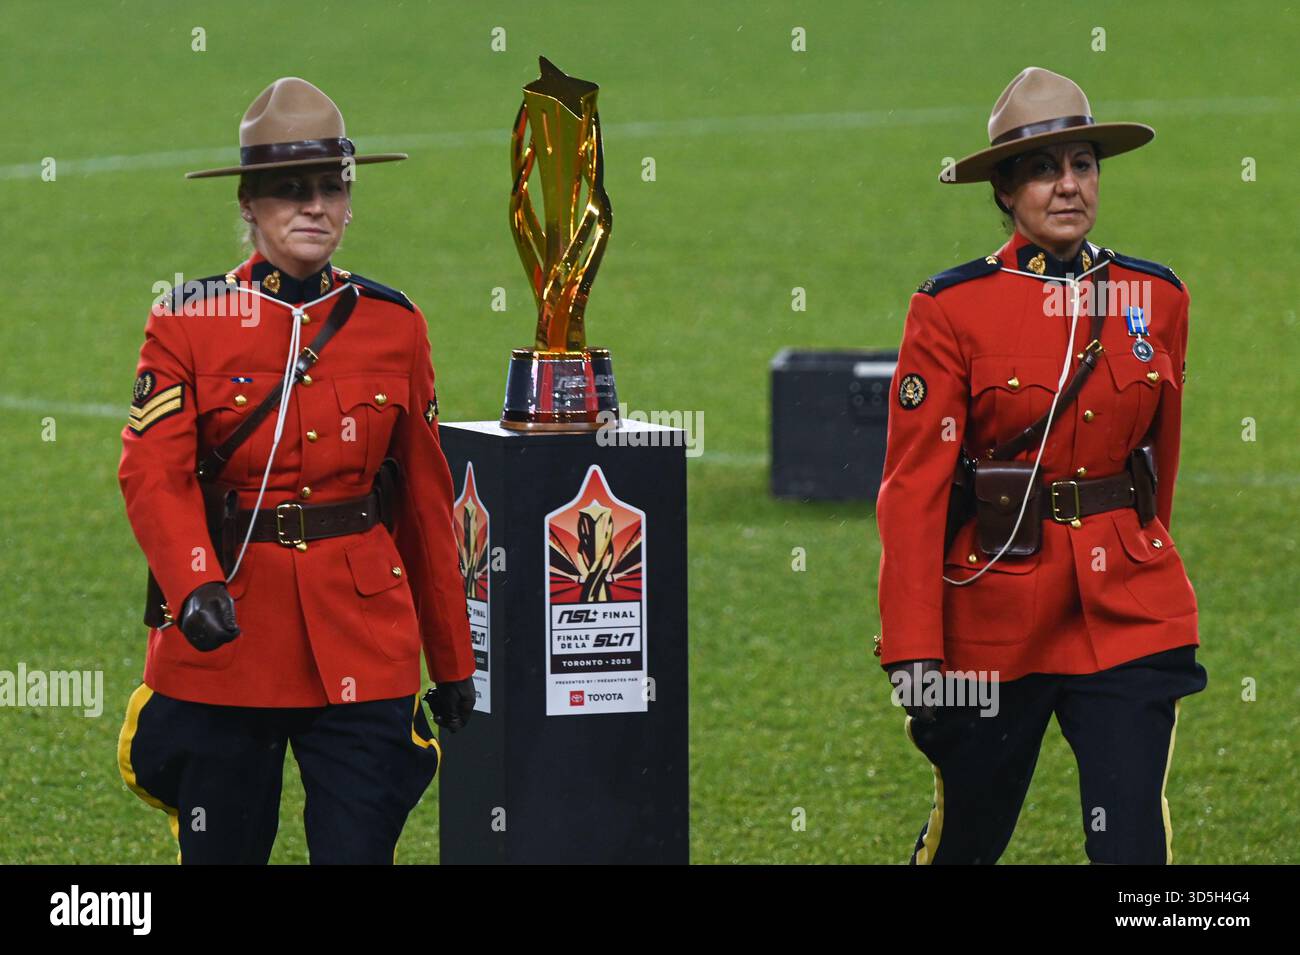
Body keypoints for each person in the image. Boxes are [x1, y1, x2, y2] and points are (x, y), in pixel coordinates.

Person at [115, 76, 478, 864]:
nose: (315, 207)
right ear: (248, 203)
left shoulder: (395, 323)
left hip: (363, 637)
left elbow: (424, 499)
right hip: (230, 634)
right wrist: (194, 583)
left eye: (331, 187)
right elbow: (153, 472)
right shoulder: (187, 319)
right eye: (290, 190)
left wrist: (452, 656)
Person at [874, 67, 1208, 864]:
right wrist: (913, 645)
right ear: (1004, 190)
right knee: (967, 842)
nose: (1068, 186)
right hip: (994, 618)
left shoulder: (1155, 297)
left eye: (1083, 165)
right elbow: (915, 487)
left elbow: (1159, 465)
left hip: (1129, 612)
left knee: (1132, 845)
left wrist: (1142, 557)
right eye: (1042, 169)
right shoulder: (951, 309)